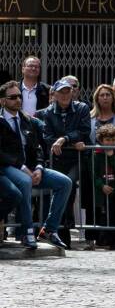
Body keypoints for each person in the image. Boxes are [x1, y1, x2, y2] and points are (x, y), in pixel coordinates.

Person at [0, 80, 73, 250]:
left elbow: (38, 148)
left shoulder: (28, 120)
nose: (18, 100)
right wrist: (23, 168)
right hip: (8, 168)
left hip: (31, 168)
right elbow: (2, 154)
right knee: (25, 182)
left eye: (19, 96)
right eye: (12, 97)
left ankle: (49, 229)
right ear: (2, 101)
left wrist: (39, 168)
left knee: (65, 182)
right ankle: (27, 232)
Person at [38, 78, 90, 247]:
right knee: (63, 191)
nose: (66, 94)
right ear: (54, 94)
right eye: (62, 91)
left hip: (77, 159)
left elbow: (84, 131)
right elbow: (47, 137)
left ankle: (57, 231)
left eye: (68, 91)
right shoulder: (47, 113)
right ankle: (58, 233)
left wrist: (64, 139)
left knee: (68, 186)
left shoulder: (82, 108)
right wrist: (70, 142)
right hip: (57, 159)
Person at [87, 124, 115, 250]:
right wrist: (101, 185)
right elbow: (93, 173)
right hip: (103, 189)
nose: (110, 142)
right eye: (107, 140)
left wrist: (111, 156)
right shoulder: (95, 154)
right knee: (109, 215)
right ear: (101, 141)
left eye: (113, 140)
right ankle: (109, 240)